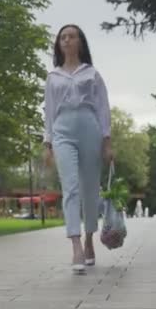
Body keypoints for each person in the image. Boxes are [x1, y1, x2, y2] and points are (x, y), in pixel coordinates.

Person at [43, 24, 113, 274]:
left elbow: (103, 108)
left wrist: (107, 141)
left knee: (90, 189)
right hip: (62, 131)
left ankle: (89, 239)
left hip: (89, 129)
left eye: (71, 36)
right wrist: (47, 143)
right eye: (62, 37)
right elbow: (49, 112)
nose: (66, 40)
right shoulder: (53, 77)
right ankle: (75, 245)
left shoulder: (91, 74)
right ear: (58, 44)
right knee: (70, 188)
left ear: (80, 42)